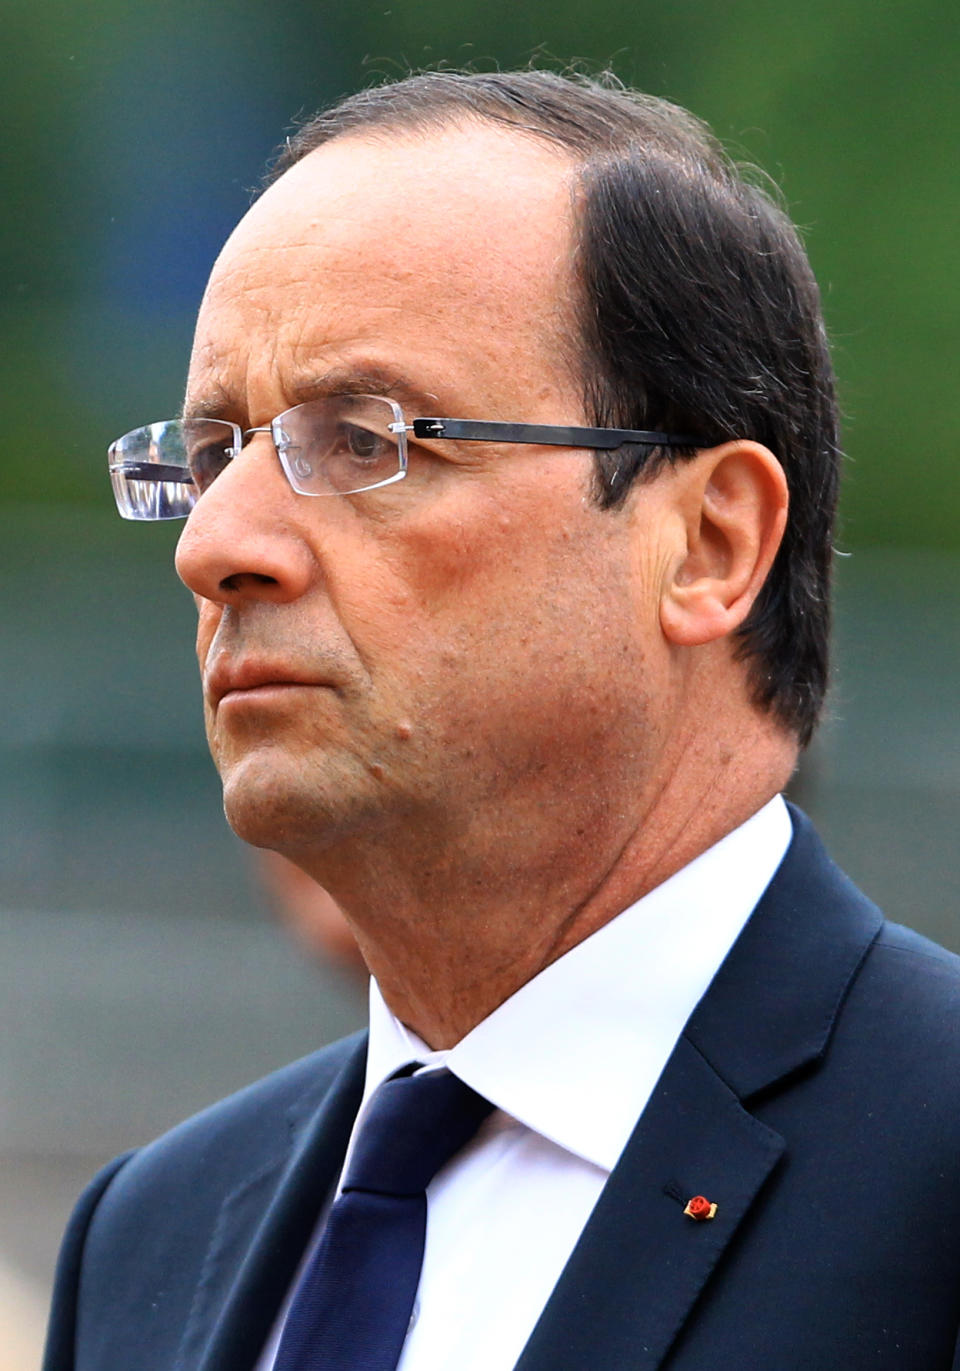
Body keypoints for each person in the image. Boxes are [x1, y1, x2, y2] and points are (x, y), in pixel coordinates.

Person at [45, 70, 960, 1370]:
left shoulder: (930, 1167)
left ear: (708, 542)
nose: (219, 544)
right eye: (209, 459)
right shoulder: (149, 1236)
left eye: (365, 441)